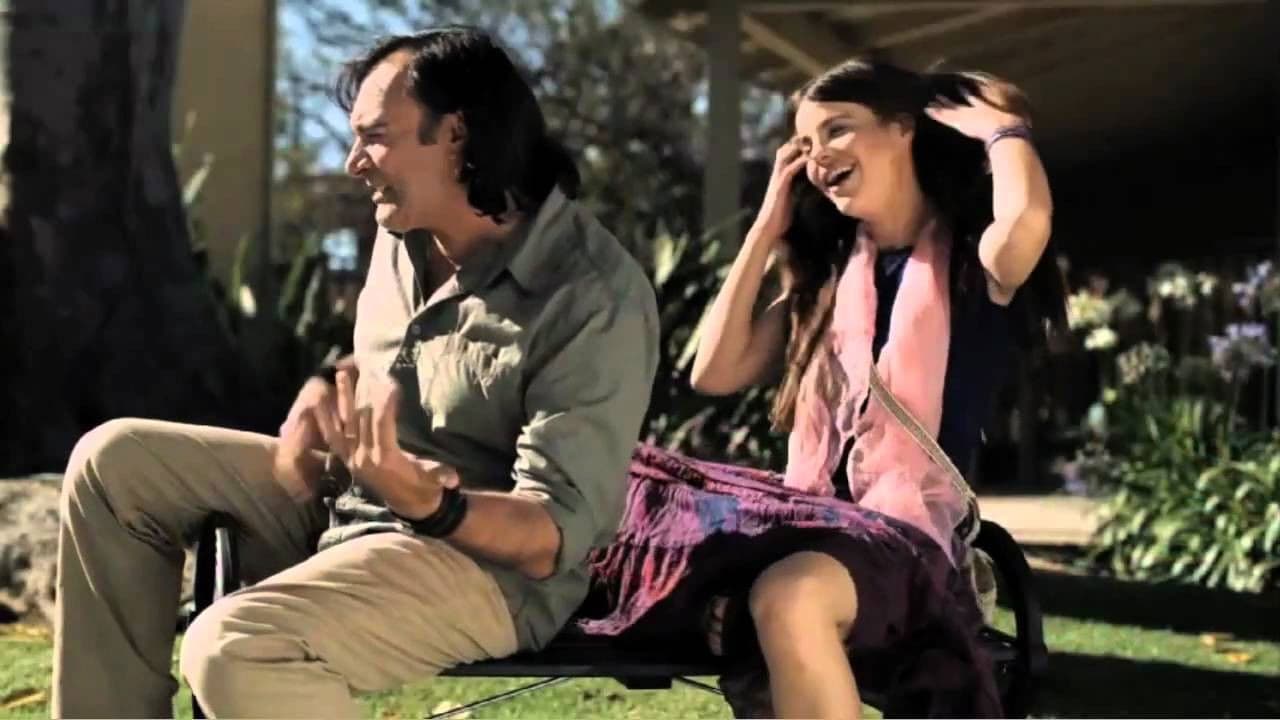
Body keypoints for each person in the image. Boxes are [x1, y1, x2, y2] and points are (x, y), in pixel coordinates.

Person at [52, 26, 659, 718]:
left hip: (485, 571)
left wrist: (433, 506)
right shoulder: (403, 233)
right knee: (115, 463)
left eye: (375, 137)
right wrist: (325, 385)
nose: (352, 163)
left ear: (456, 135)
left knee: (235, 647)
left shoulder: (591, 296)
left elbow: (551, 536)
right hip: (352, 507)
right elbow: (414, 354)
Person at [579, 59, 1064, 719]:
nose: (818, 155)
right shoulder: (829, 283)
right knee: (634, 482)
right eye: (805, 144)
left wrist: (1002, 131)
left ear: (904, 130)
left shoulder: (973, 266)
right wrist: (765, 228)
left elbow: (1027, 222)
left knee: (791, 595)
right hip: (808, 527)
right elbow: (712, 371)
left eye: (838, 129)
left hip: (905, 546)